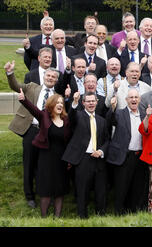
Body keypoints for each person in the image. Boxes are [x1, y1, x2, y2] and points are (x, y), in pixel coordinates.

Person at [5, 61, 66, 209]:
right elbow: (15, 86)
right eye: (48, 75)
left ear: (56, 80)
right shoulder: (32, 87)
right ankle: (29, 196)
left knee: (45, 166)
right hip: (31, 130)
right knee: (29, 164)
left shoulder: (58, 96)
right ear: (44, 76)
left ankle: (45, 194)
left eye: (53, 77)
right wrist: (10, 73)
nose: (50, 78)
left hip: (48, 134)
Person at [17, 86, 70, 218]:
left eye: (61, 103)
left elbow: (69, 140)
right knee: (46, 188)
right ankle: (44, 217)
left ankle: (57, 217)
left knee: (59, 188)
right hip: (46, 157)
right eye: (57, 103)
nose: (60, 105)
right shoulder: (44, 116)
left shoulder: (66, 120)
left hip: (61, 159)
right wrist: (24, 100)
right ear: (51, 104)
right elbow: (33, 109)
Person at [62, 91, 110, 219]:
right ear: (83, 103)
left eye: (93, 101)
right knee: (82, 189)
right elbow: (70, 118)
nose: (91, 103)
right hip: (83, 159)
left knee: (100, 189)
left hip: (98, 159)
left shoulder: (102, 120)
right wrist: (74, 103)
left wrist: (101, 151)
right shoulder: (77, 116)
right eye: (88, 101)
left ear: (96, 102)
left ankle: (101, 214)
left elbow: (107, 140)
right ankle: (82, 215)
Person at [106, 89, 148, 215]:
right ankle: (119, 213)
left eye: (136, 97)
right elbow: (109, 121)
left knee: (137, 187)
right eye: (131, 97)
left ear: (139, 100)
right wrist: (112, 109)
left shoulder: (144, 115)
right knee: (121, 187)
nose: (134, 99)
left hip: (140, 157)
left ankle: (133, 212)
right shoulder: (119, 113)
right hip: (124, 156)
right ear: (126, 100)